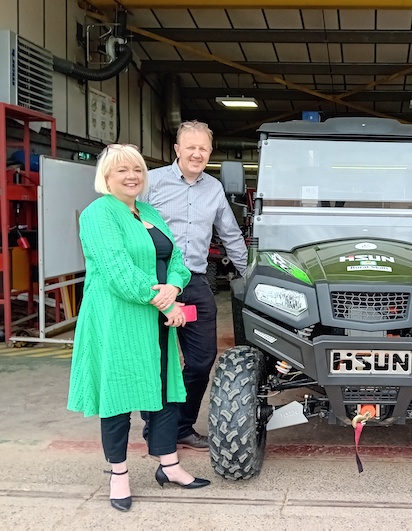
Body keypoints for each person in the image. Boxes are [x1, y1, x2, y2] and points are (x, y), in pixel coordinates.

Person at [67, 144, 210, 512]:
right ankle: (119, 475)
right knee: (117, 396)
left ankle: (169, 465)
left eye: (136, 169)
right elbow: (119, 274)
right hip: (118, 320)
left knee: (161, 391)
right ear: (107, 177)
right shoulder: (99, 215)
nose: (131, 176)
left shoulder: (148, 211)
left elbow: (176, 259)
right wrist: (167, 302)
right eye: (122, 171)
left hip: (156, 320)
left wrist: (175, 287)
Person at [142, 120, 248, 451]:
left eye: (203, 148)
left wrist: (249, 276)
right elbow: (128, 226)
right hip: (155, 284)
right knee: (155, 361)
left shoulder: (214, 188)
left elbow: (230, 234)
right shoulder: (152, 183)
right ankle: (155, 427)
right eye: (190, 147)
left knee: (202, 360)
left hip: (196, 280)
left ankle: (182, 425)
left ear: (210, 152)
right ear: (176, 150)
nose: (196, 153)